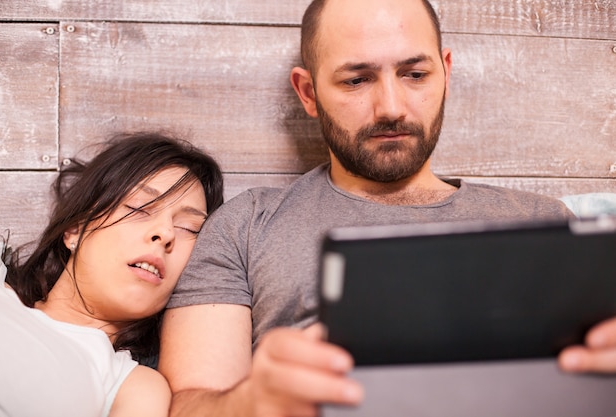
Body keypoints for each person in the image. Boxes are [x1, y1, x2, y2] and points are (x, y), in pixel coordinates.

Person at [159, 0, 616, 415]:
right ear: (308, 92)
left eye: (415, 74)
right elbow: (188, 403)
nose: (391, 108)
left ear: (446, 72)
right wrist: (253, 401)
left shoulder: (546, 224)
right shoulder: (246, 226)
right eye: (356, 80)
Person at [0, 132, 223, 417]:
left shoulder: (134, 388)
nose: (164, 234)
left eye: (188, 228)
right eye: (139, 208)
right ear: (75, 228)